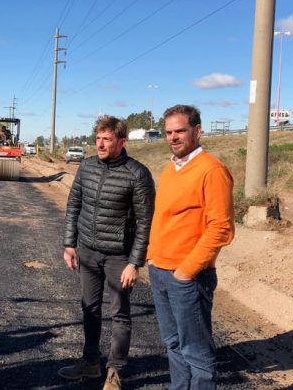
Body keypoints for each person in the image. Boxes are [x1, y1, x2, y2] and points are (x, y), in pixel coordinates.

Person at [59, 115, 155, 390]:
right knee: (89, 309)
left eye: (107, 139)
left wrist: (135, 262)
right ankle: (90, 363)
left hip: (118, 257)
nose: (100, 144)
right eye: (98, 138)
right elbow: (74, 204)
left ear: (122, 141)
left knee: (120, 315)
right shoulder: (86, 166)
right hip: (87, 251)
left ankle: (115, 371)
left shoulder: (138, 174)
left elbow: (145, 222)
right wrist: (70, 244)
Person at [147, 105, 234, 389]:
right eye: (169, 132)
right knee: (173, 345)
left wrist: (186, 271)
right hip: (160, 271)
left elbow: (221, 228)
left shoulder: (212, 170)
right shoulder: (170, 168)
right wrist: (151, 256)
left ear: (197, 131)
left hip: (188, 278)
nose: (173, 137)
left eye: (180, 131)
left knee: (197, 354)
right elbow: (163, 217)